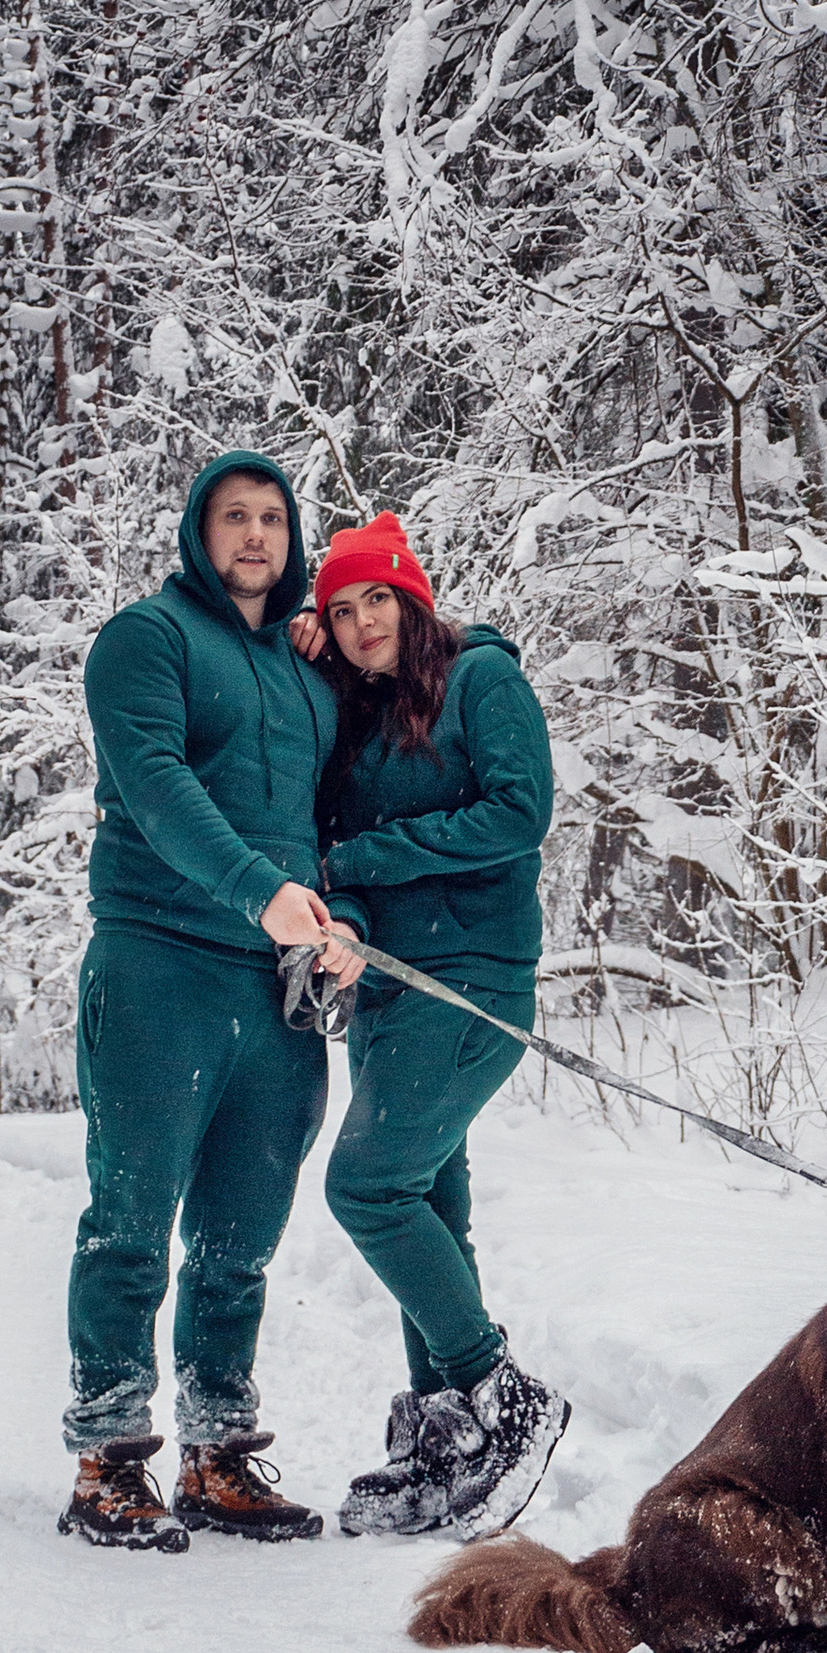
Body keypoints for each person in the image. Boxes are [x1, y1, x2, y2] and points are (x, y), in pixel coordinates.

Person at [60, 452, 350, 1554]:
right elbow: (158, 786)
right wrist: (259, 892)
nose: (254, 535)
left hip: (274, 988)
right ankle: (106, 1462)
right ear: (197, 530)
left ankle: (217, 1455)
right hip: (157, 964)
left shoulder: (308, 669)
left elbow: (343, 804)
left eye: (272, 518)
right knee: (129, 1224)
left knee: (240, 1237)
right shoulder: (146, 641)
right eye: (233, 516)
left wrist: (338, 919)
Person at [292, 513, 570, 1542]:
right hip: (387, 989)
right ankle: (445, 1438)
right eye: (342, 609)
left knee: (365, 1185)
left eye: (377, 600)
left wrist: (367, 863)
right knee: (428, 1210)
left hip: (469, 981)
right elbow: (326, 843)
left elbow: (517, 811)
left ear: (411, 597)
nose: (363, 623)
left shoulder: (480, 680)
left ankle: (501, 1392)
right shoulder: (357, 712)